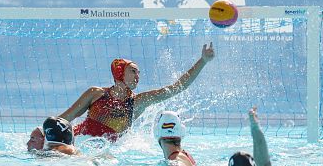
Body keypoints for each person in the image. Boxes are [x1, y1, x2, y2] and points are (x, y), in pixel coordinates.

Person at [59, 42, 215, 141]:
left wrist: (203, 61)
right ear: (120, 72)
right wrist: (42, 132)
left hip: (105, 152)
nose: (137, 76)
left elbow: (177, 87)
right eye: (133, 71)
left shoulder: (138, 102)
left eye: (138, 72)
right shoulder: (96, 94)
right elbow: (66, 118)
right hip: (78, 141)